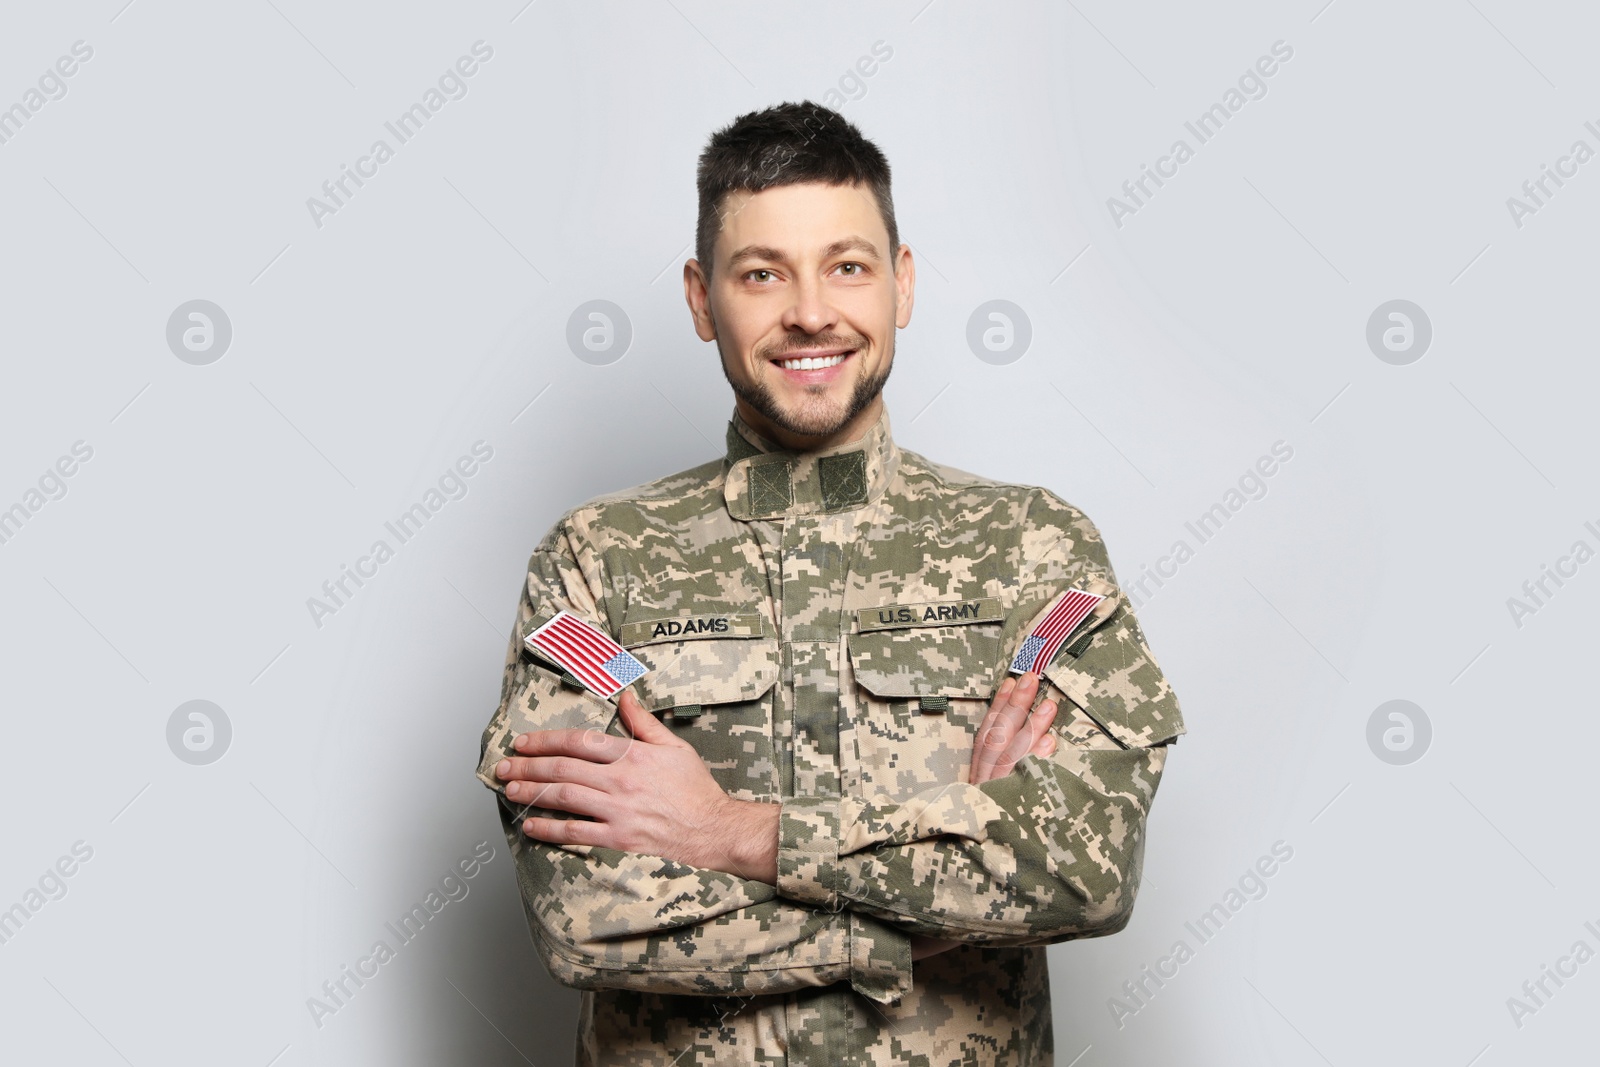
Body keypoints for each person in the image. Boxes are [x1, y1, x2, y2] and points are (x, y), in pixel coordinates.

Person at [475, 100, 1184, 1067]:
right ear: (699, 297)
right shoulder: (596, 561)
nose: (810, 310)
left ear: (901, 283)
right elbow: (582, 916)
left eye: (846, 266)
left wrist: (728, 831)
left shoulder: (1032, 549)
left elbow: (1084, 864)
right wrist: (910, 922)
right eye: (761, 273)